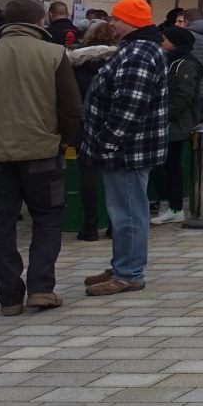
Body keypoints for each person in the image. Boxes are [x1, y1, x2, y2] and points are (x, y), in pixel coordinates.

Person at [0, 0, 81, 315]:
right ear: (40, 22)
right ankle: (41, 287)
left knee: (0, 223)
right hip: (43, 151)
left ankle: (9, 295)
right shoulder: (53, 54)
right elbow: (70, 108)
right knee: (48, 220)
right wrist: (61, 141)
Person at [78, 0, 169, 296]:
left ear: (130, 21)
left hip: (128, 149)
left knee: (127, 211)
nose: (112, 24)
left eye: (116, 19)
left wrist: (106, 142)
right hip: (129, 147)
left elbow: (130, 105)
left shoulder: (139, 53)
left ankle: (128, 271)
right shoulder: (136, 49)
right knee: (126, 209)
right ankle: (124, 264)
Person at [69, 22, 119, 241]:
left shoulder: (75, 63)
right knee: (114, 176)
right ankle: (113, 224)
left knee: (87, 174)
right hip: (113, 122)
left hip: (83, 121)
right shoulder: (121, 61)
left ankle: (89, 224)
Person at [151, 26, 203, 225]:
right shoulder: (173, 61)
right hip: (172, 121)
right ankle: (171, 205)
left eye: (164, 38)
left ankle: (174, 207)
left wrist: (166, 115)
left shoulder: (184, 64)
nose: (161, 41)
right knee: (167, 165)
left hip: (176, 123)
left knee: (171, 165)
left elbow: (184, 95)